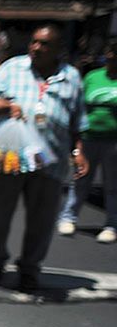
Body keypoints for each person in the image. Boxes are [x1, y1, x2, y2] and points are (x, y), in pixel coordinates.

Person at [0, 25, 89, 290]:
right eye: (34, 42)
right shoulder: (12, 68)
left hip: (51, 161)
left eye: (44, 44)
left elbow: (78, 121)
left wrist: (79, 152)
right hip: (10, 157)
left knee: (42, 220)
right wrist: (7, 105)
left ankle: (29, 268)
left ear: (58, 50)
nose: (37, 48)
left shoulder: (71, 77)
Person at [58, 38, 117, 244]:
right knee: (81, 180)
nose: (113, 60)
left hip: (114, 141)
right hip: (89, 137)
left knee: (113, 185)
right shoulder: (93, 77)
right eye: (111, 56)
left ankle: (111, 224)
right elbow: (79, 106)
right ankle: (69, 217)